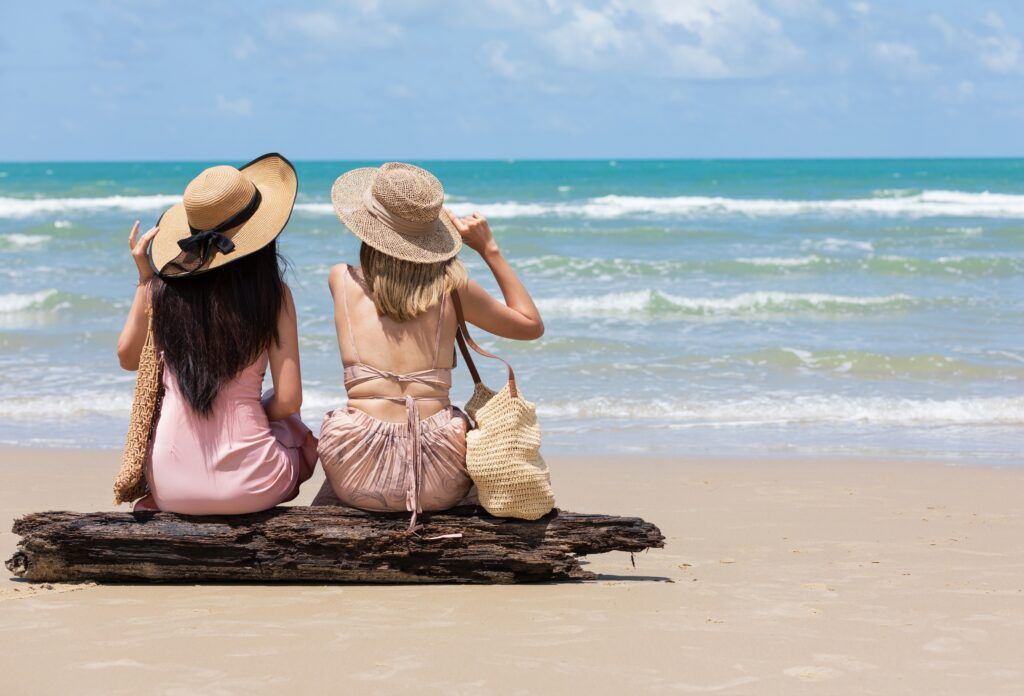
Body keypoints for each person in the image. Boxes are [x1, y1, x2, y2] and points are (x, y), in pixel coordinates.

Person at [313, 162, 544, 529]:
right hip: (438, 477)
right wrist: (490, 250)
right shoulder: (452, 286)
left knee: (345, 441)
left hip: (353, 472)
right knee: (458, 446)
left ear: (367, 226)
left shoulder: (340, 279)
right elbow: (531, 326)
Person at [116, 153, 316, 514]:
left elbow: (128, 359)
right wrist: (248, 410)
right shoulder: (273, 294)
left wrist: (145, 281)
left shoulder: (161, 291)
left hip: (171, 487)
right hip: (253, 486)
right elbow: (288, 400)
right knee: (294, 430)